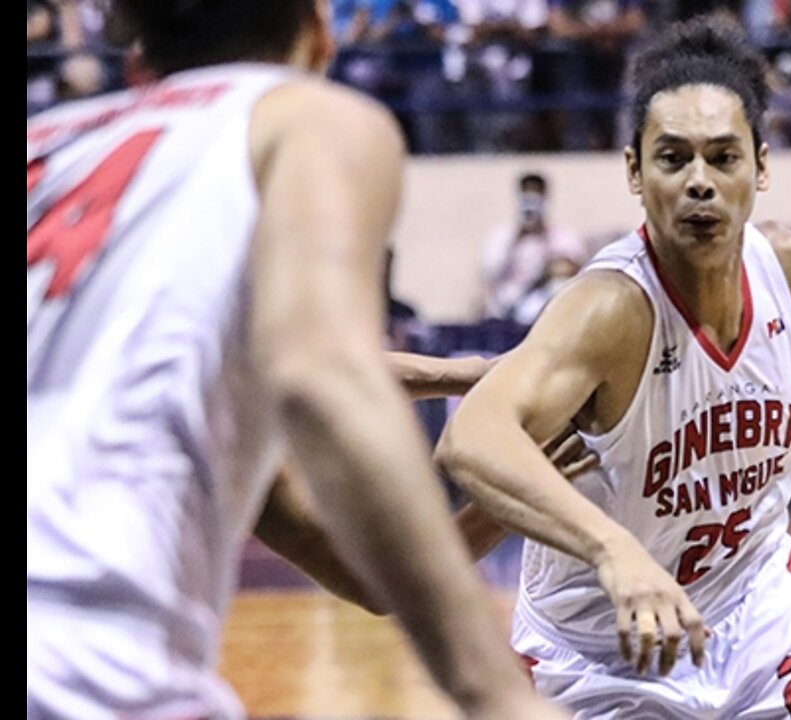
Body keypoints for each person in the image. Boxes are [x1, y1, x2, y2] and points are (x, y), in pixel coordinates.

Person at [438, 16, 791, 718]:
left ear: (760, 166)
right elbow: (470, 439)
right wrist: (613, 549)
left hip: (762, 618)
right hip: (605, 655)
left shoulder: (777, 261)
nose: (700, 182)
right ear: (635, 173)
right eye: (673, 159)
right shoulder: (609, 309)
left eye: (722, 158)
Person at [25, 2, 566, 718]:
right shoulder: (307, 119)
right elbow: (320, 377)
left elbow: (360, 576)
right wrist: (495, 693)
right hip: (86, 671)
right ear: (320, 33)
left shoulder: (48, 145)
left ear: (137, 62)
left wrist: (528, 487)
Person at [482, 171, 587, 319]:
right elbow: (491, 272)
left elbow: (574, 268)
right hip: (506, 304)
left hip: (542, 304)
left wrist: (544, 240)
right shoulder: (502, 236)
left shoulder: (561, 236)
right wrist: (517, 239)